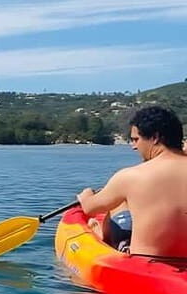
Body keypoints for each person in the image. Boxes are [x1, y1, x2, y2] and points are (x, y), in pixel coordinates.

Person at [77, 105, 187, 258]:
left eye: (136, 139)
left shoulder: (131, 176)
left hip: (147, 264)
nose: (133, 147)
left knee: (118, 203)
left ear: (155, 138)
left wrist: (86, 195)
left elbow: (90, 208)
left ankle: (100, 233)